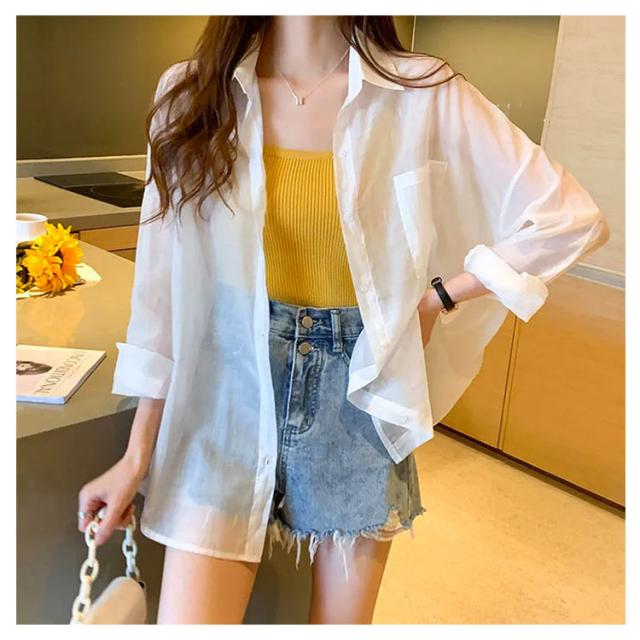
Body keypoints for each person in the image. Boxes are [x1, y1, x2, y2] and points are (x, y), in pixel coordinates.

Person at [77, 16, 610, 624]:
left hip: (356, 392)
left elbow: (570, 218)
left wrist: (439, 296)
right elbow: (161, 295)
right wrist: (137, 455)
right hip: (223, 391)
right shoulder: (193, 93)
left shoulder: (421, 91)